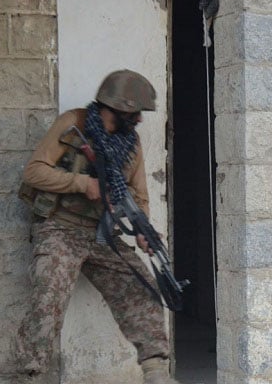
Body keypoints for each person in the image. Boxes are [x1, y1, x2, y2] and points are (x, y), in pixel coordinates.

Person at [16, 70, 181, 384]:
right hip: (60, 228)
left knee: (143, 287)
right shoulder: (73, 124)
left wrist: (143, 231)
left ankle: (156, 371)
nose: (139, 120)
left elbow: (139, 196)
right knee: (48, 293)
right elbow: (33, 172)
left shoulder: (130, 144)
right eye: (134, 113)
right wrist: (82, 183)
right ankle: (30, 375)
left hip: (102, 233)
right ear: (114, 108)